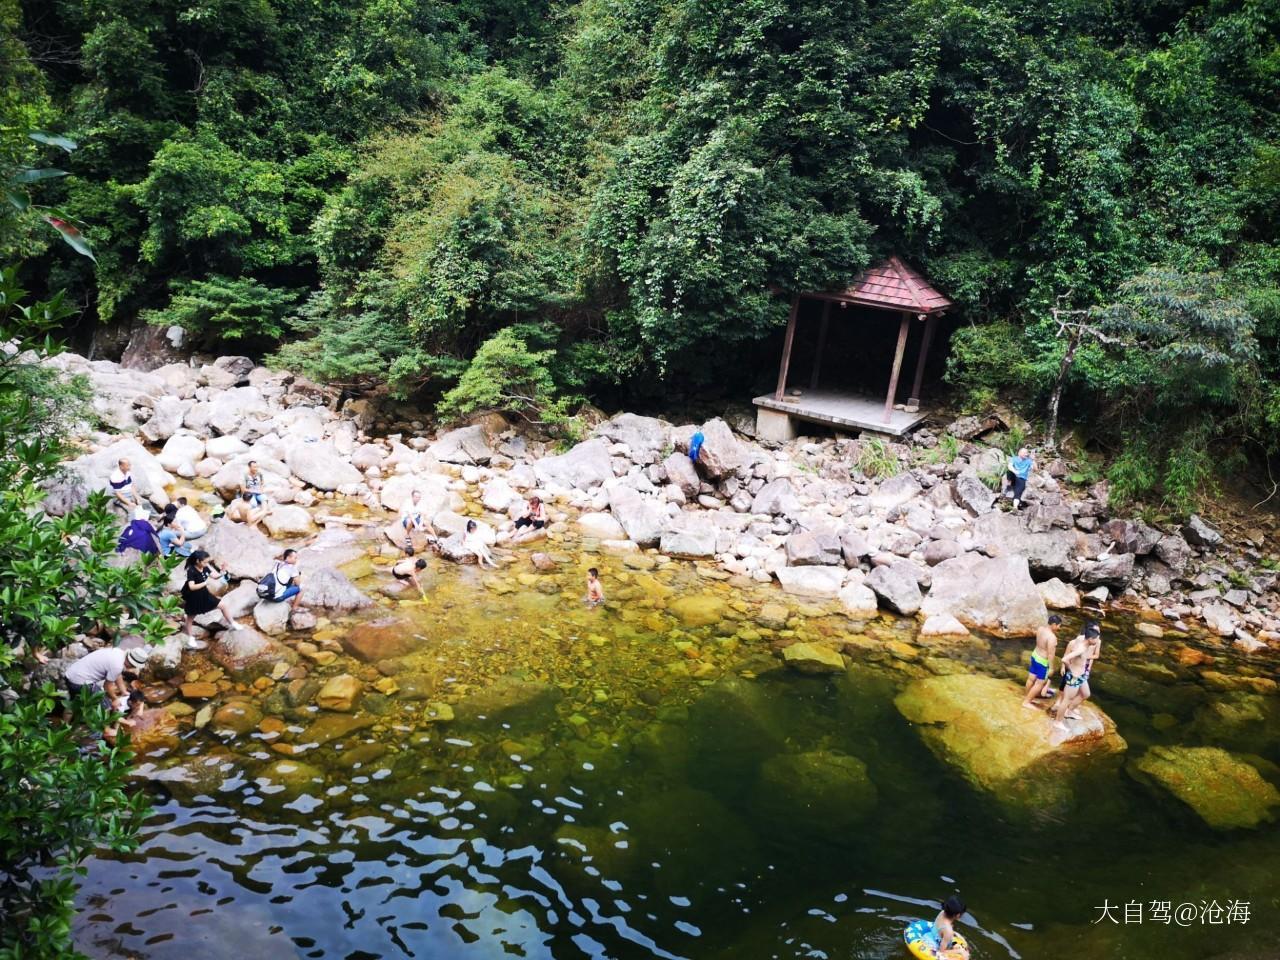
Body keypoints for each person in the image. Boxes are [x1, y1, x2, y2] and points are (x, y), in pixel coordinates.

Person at [180, 550, 238, 644]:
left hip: (204, 594)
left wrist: (222, 572)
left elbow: (214, 576)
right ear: (198, 561)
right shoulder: (191, 571)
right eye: (205, 562)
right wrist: (205, 583)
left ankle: (233, 623)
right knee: (190, 618)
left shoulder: (205, 567)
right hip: (193, 597)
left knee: (223, 605)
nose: (207, 564)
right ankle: (191, 638)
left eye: (207, 561)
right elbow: (192, 587)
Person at [1052, 621, 1101, 727]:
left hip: (1082, 675)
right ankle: (1058, 722)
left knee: (1086, 694)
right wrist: (1071, 670)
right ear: (1090, 639)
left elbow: (1082, 637)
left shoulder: (1082, 639)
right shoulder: (1081, 649)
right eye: (1096, 639)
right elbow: (1065, 659)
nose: (1098, 641)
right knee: (1066, 700)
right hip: (1074, 676)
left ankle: (1069, 711)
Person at [64, 645, 149, 706]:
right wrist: (115, 699)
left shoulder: (119, 653)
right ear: (132, 664)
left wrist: (123, 691)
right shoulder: (117, 666)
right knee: (106, 706)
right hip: (79, 682)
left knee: (73, 704)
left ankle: (66, 724)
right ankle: (101, 729)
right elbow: (107, 686)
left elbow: (117, 675)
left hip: (71, 673)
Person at [1021, 614, 1063, 709]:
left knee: (1031, 678)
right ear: (1053, 624)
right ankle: (1027, 702)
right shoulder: (1052, 638)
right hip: (1042, 661)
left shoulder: (1040, 629)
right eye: (1058, 625)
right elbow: (1051, 654)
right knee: (1040, 683)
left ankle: (1027, 696)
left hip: (1035, 655)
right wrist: (1051, 668)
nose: (1059, 628)